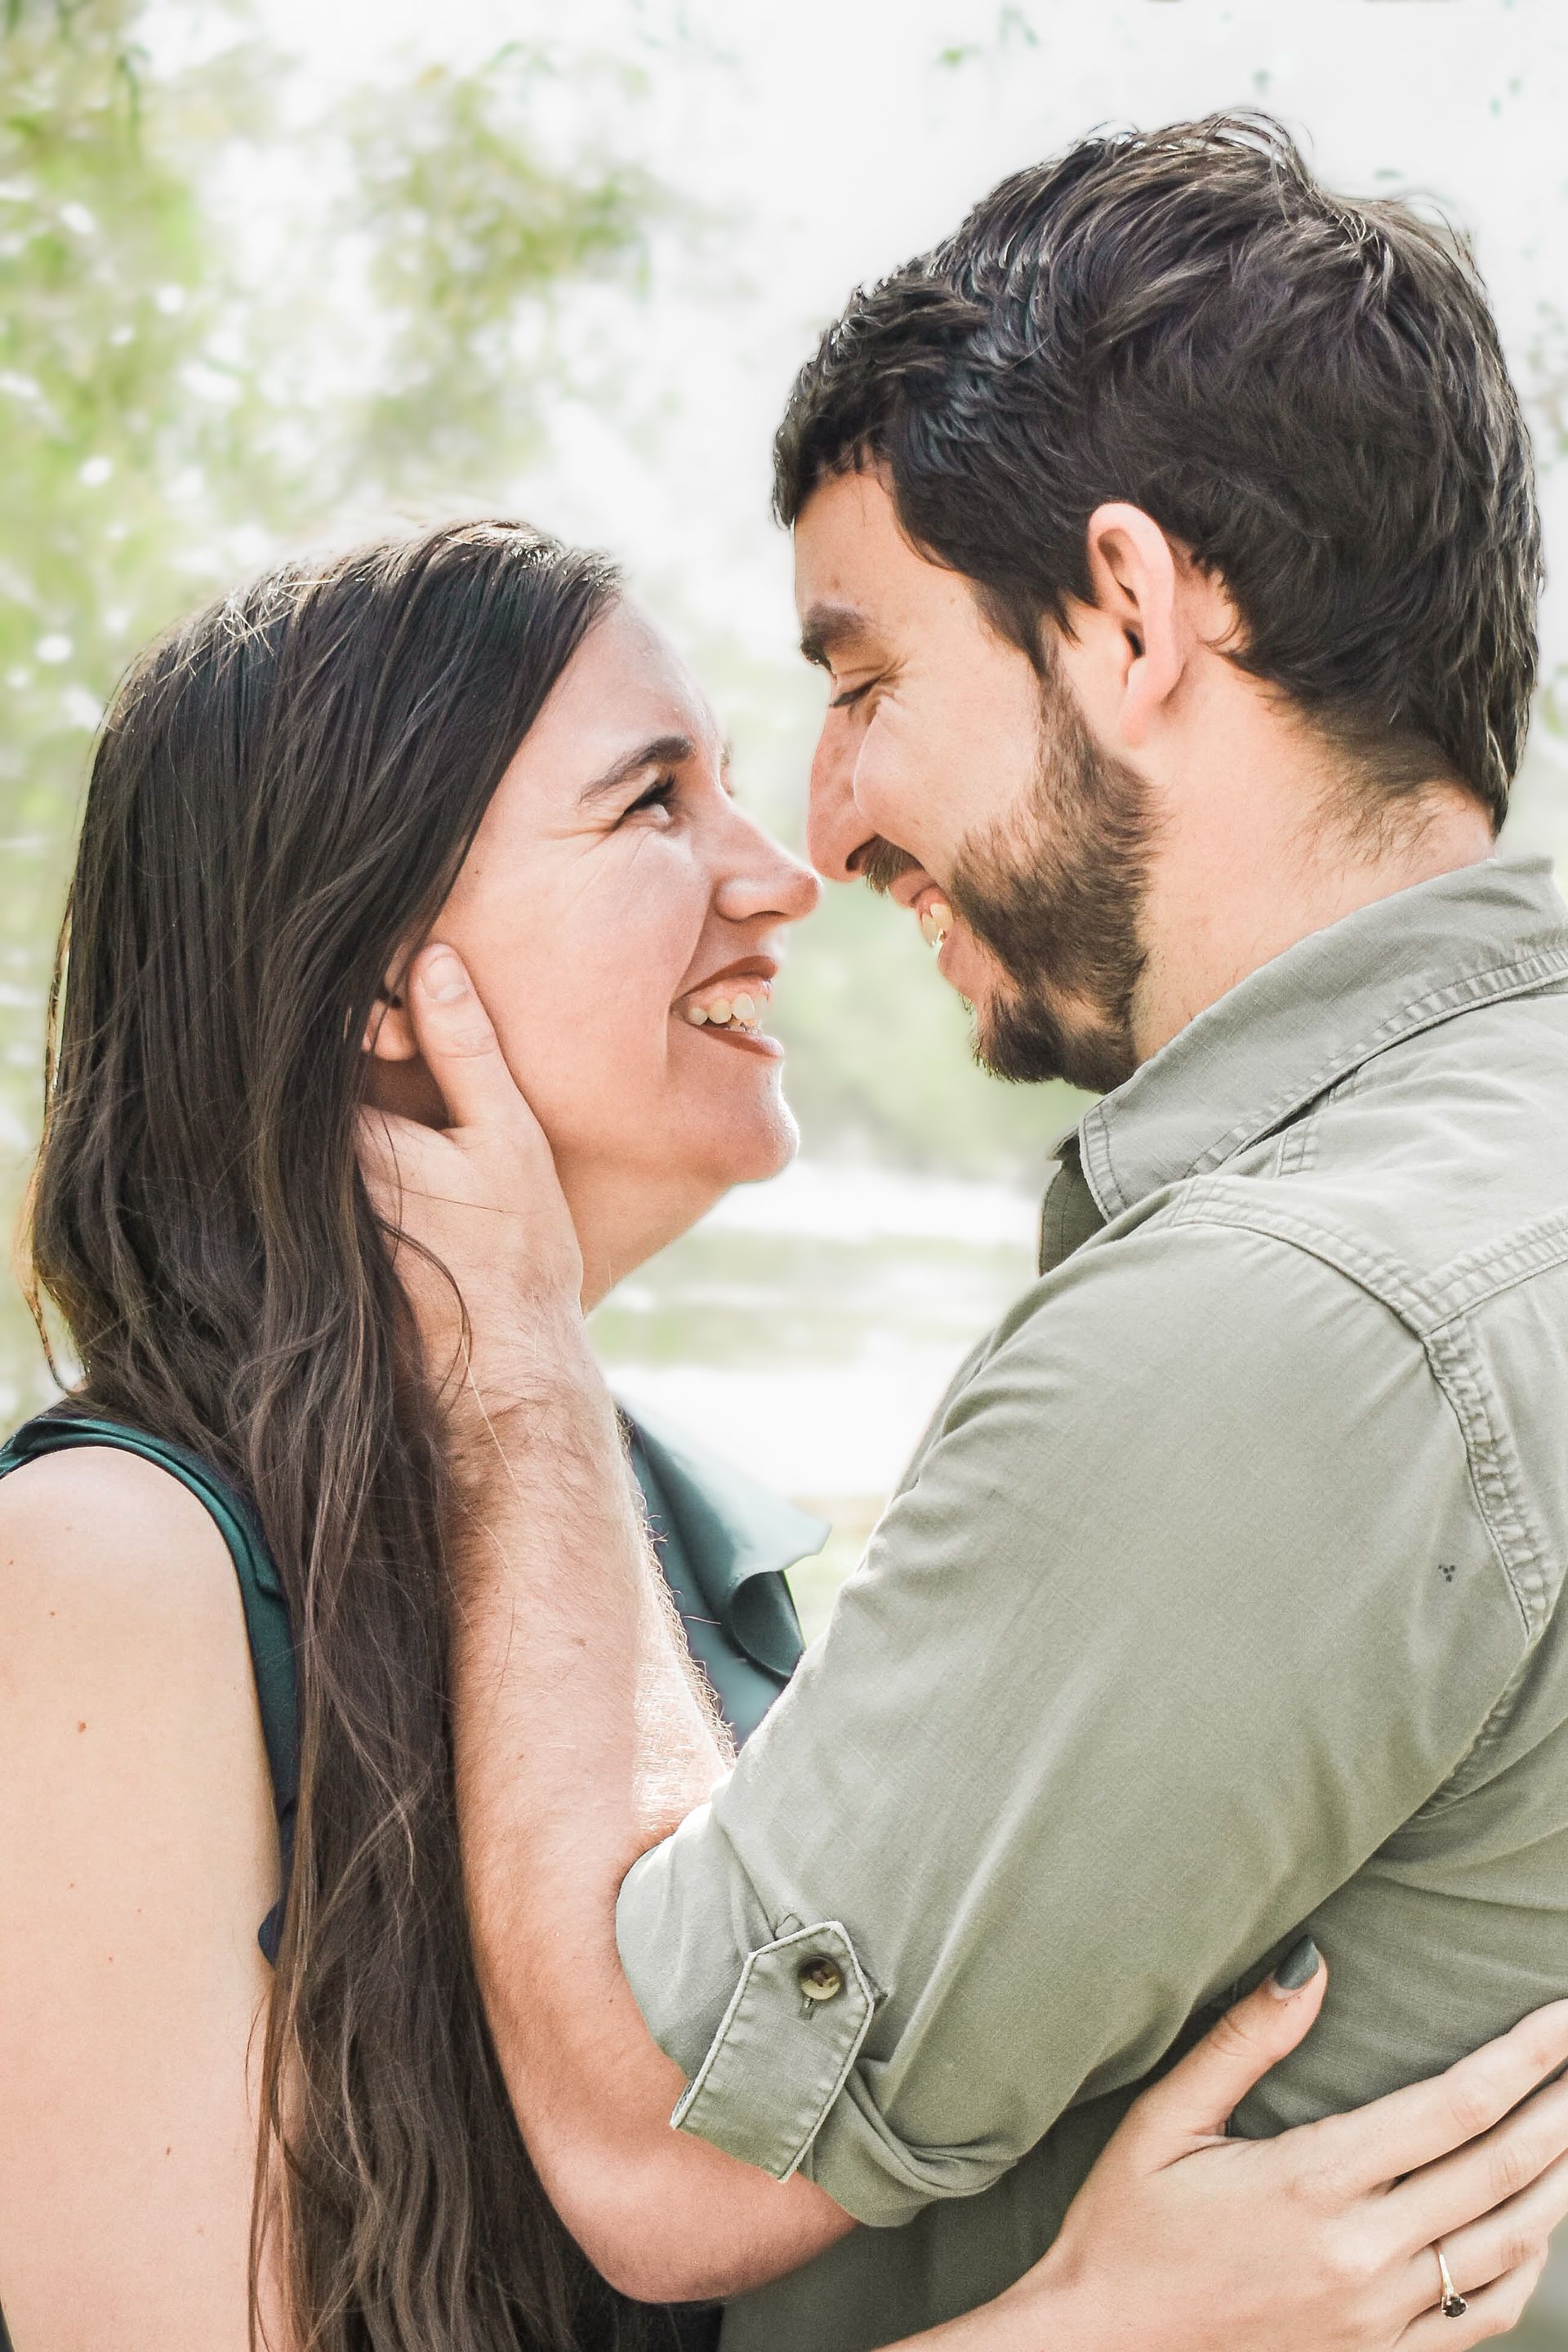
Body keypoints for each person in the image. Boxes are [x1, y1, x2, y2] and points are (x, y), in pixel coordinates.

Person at [8, 520, 1562, 2350]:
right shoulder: (108, 1569)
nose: (781, 874)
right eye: (653, 805)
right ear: (371, 980)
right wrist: (1096, 2328)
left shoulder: (657, 1525)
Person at [366, 118, 1568, 2352]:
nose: (821, 831)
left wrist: (509, 1356)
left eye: (861, 683)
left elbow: (658, 2141)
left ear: (1128, 608)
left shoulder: (1283, 1334)